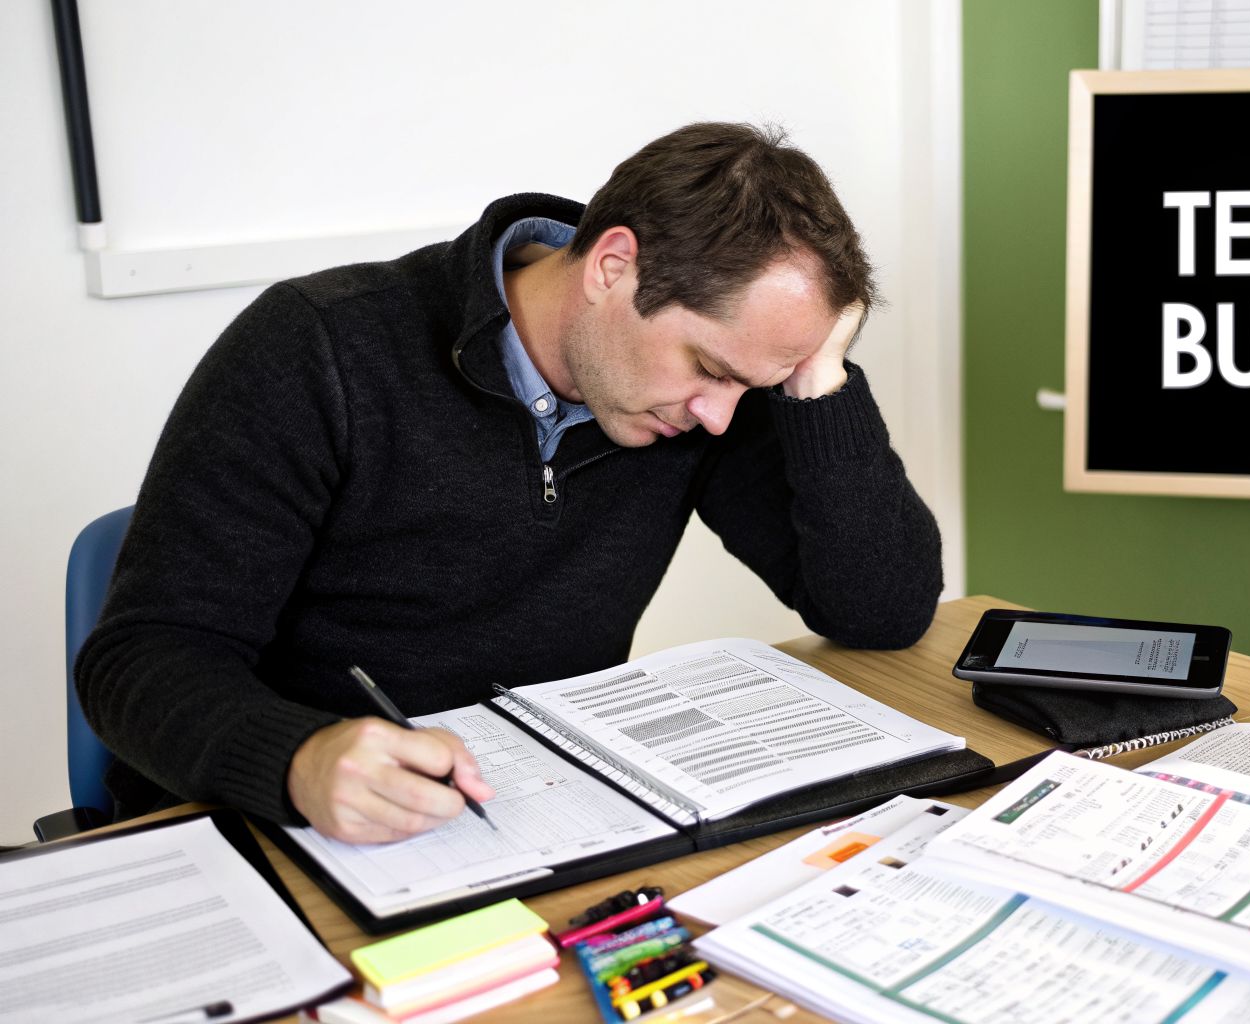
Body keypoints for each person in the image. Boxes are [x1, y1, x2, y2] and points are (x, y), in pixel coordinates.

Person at [76, 123, 942, 844]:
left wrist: (817, 382)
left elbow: (880, 611)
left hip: (538, 817)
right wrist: (297, 758)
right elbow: (140, 659)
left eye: (750, 384)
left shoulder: (700, 398)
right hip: (284, 826)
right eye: (711, 368)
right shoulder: (319, 348)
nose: (721, 415)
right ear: (613, 267)